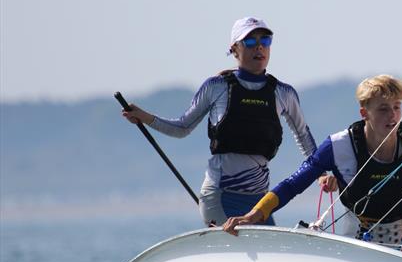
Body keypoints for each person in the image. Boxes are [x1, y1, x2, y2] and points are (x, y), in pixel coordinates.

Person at [222, 74, 402, 262]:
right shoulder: (338, 147)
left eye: (397, 107)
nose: (392, 116)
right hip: (359, 247)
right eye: (383, 108)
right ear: (364, 112)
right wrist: (255, 214)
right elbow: (293, 184)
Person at [121, 17, 317, 226]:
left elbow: (303, 135)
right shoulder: (216, 87)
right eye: (250, 41)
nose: (259, 47)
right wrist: (145, 117)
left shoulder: (283, 93)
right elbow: (182, 128)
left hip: (259, 202)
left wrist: (321, 173)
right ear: (234, 49)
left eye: (265, 41)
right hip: (220, 197)